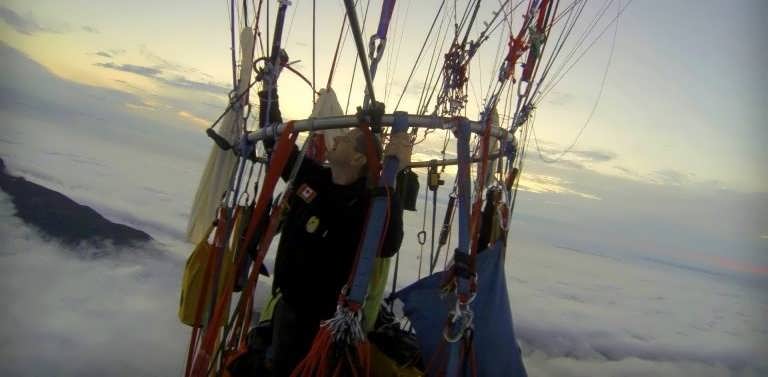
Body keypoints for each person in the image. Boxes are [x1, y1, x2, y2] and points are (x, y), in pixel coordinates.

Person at [270, 127, 412, 376]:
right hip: (288, 306)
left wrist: (394, 175)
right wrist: (267, 96)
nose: (335, 139)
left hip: (325, 323)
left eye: (345, 139)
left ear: (358, 159)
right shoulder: (315, 178)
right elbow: (280, 151)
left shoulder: (366, 203)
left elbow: (388, 244)